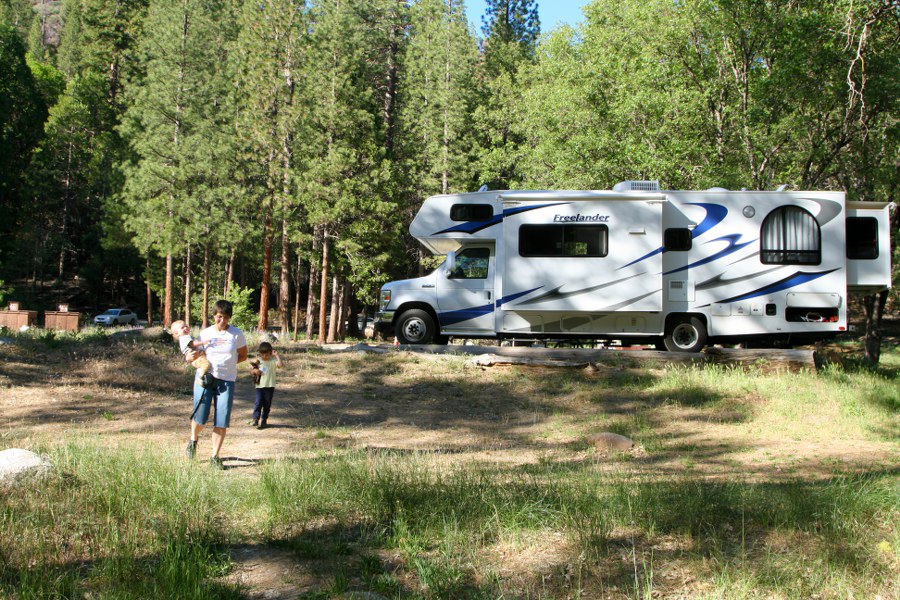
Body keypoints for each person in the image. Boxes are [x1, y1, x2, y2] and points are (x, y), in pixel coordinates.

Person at [183, 300, 248, 469]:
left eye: (226, 317)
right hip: (205, 379)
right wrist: (190, 358)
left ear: (229, 318)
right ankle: (193, 440)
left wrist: (228, 365)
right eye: (219, 317)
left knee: (222, 419)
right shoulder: (205, 333)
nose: (222, 321)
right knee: (201, 416)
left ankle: (215, 456)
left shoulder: (236, 334)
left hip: (226, 381)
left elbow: (243, 355)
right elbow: (194, 354)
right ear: (214, 316)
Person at [169, 320, 214, 388]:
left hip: (197, 356)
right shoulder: (184, 337)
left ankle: (203, 377)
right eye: (182, 328)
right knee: (206, 365)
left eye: (186, 326)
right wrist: (203, 342)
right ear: (177, 333)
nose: (185, 328)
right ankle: (200, 377)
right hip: (196, 357)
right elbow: (192, 344)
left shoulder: (186, 336)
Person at [250, 341, 283, 429]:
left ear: (270, 353)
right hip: (260, 386)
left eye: (267, 354)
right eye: (263, 354)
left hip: (270, 386)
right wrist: (255, 371)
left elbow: (280, 365)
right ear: (260, 354)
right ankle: (255, 418)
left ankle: (264, 419)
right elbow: (252, 370)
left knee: (267, 404)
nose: (265, 356)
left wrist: (276, 355)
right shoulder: (258, 361)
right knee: (258, 402)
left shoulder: (273, 361)